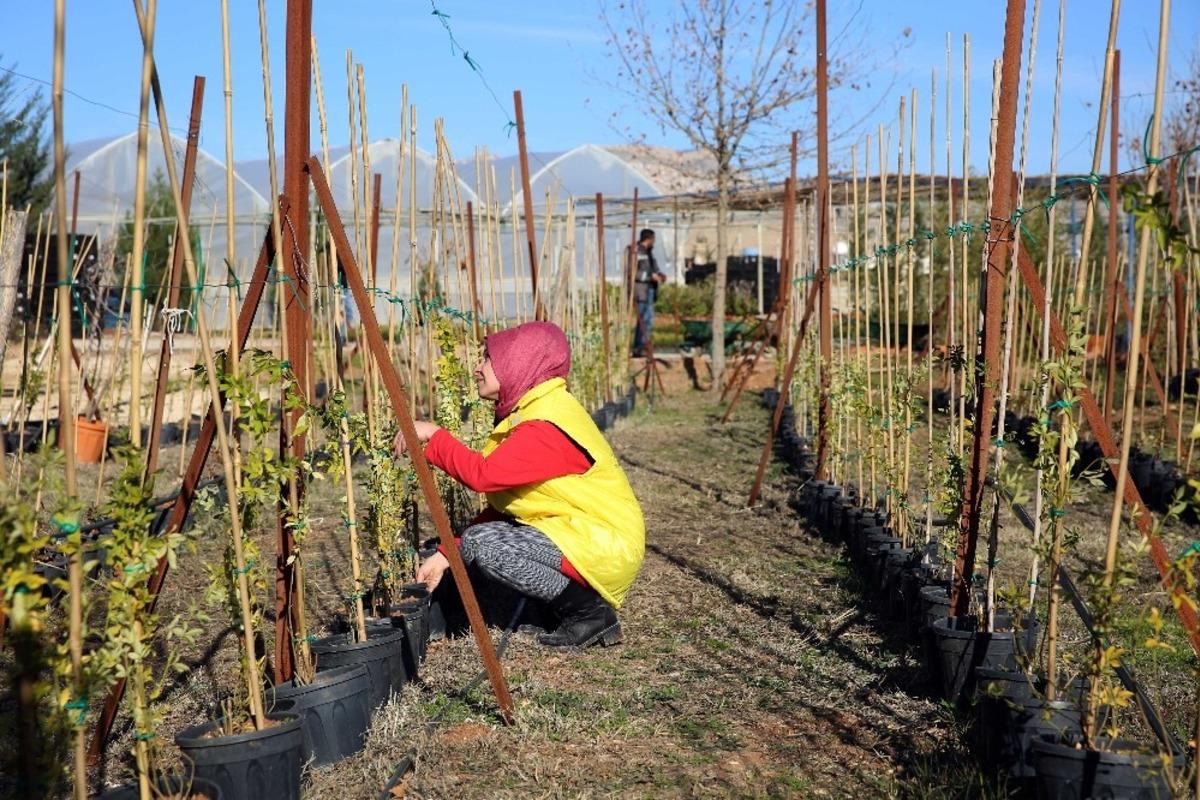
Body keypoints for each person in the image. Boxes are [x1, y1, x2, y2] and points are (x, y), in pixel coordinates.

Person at [393, 321, 645, 649]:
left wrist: (434, 435)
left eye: (486, 358)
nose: (476, 368)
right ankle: (566, 609)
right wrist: (444, 555)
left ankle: (589, 614)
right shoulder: (531, 413)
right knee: (480, 539)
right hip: (580, 534)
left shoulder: (546, 425)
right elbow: (504, 509)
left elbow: (481, 476)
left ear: (517, 361)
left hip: (604, 542)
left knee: (484, 545)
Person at [629, 228, 666, 356]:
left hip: (650, 290)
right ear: (648, 239)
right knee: (644, 320)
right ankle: (640, 347)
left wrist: (660, 275)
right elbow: (632, 272)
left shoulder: (649, 253)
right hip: (641, 291)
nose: (654, 242)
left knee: (647, 320)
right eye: (653, 239)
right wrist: (650, 276)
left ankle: (641, 347)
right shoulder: (635, 251)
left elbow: (654, 268)